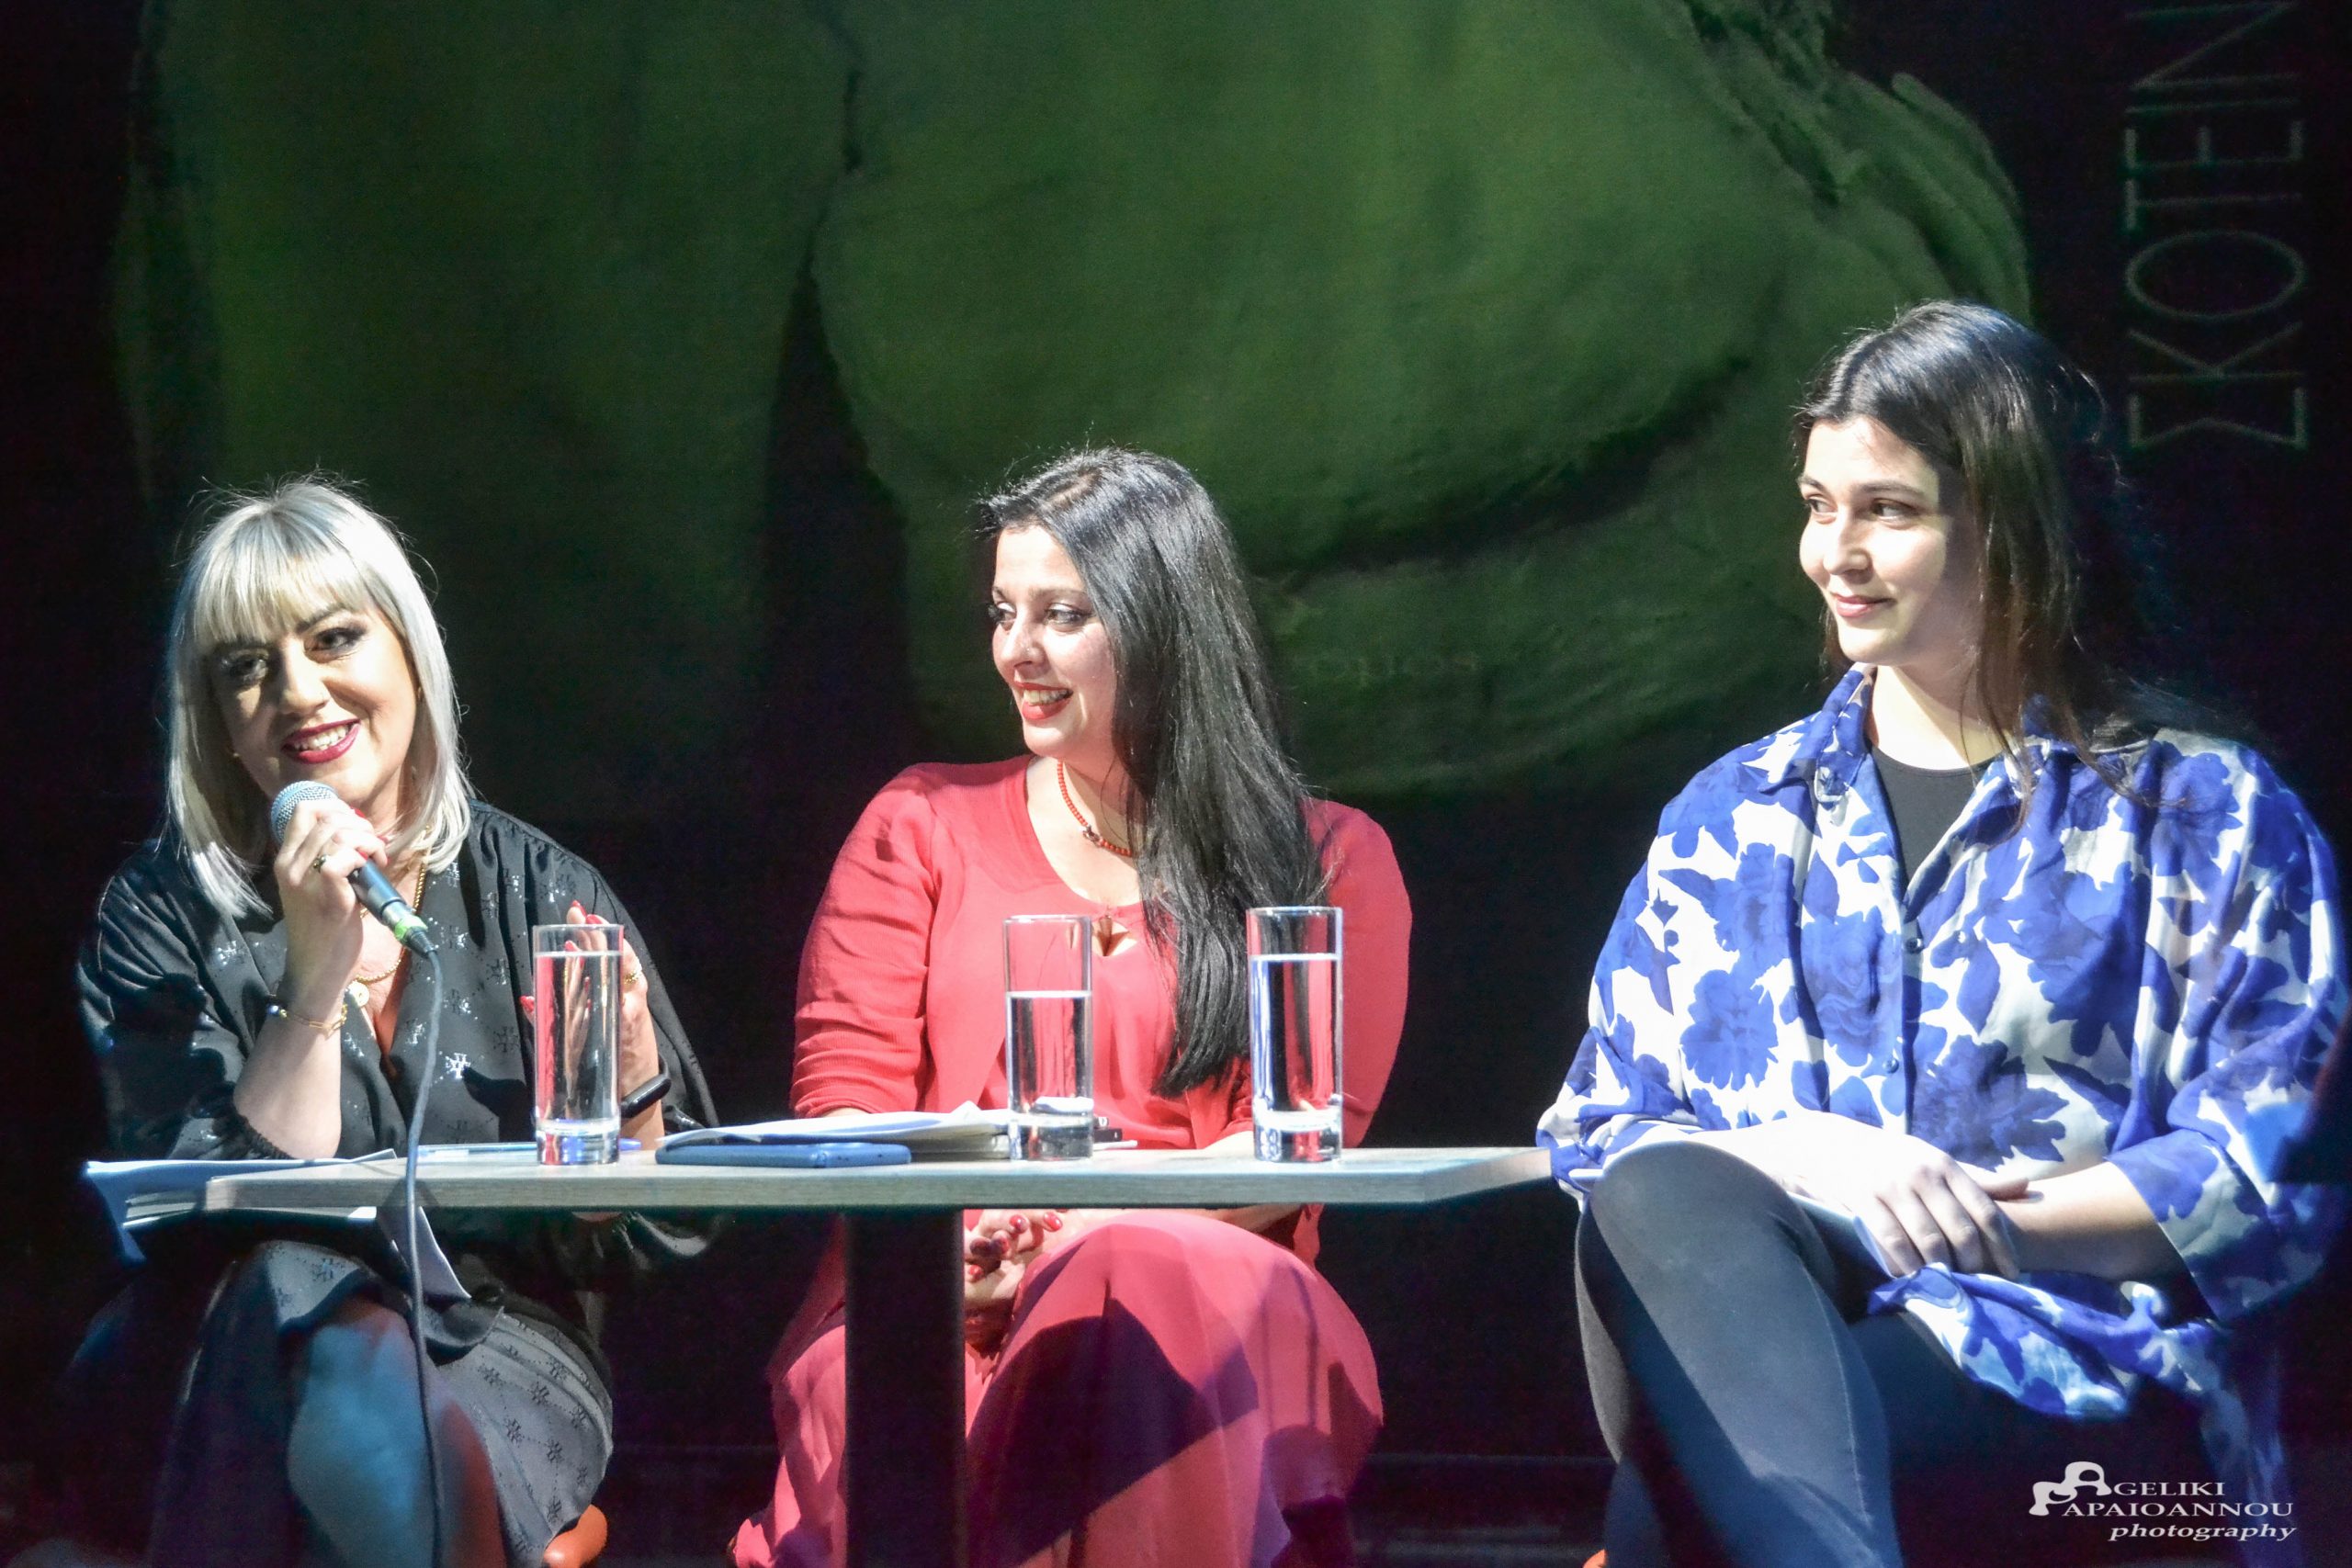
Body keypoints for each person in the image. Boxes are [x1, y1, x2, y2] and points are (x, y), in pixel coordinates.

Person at [1539, 303, 2344, 1568]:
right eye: (1819, 506)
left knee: (1672, 1511)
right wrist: (1806, 1153)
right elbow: (1598, 1126)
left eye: (1889, 511)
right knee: (1662, 1188)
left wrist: (1986, 1224)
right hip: (1771, 1333)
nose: (1836, 552)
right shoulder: (1730, 815)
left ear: (2012, 524)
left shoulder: (2203, 812)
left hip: (2092, 1377)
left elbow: (2266, 1168)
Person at [731, 448, 1412, 1568]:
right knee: (928, 1372)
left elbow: (1294, 1144)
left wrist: (1070, 1237)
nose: (1016, 650)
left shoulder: (1331, 859)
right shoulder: (918, 825)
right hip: (937, 1278)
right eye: (1004, 613)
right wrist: (961, 1240)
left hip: (1202, 1289)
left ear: (1164, 626)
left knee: (1126, 1279)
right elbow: (845, 1113)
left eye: (1061, 615)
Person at [70, 479, 718, 1568]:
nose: (298, 692)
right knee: (289, 1297)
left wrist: (629, 1116)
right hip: (219, 1348)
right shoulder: (159, 917)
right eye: (248, 668)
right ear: (218, 724)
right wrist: (315, 979)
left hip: (494, 1349)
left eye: (333, 640)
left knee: (373, 1437)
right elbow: (208, 1228)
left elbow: (650, 1233)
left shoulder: (541, 892)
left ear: (411, 656)